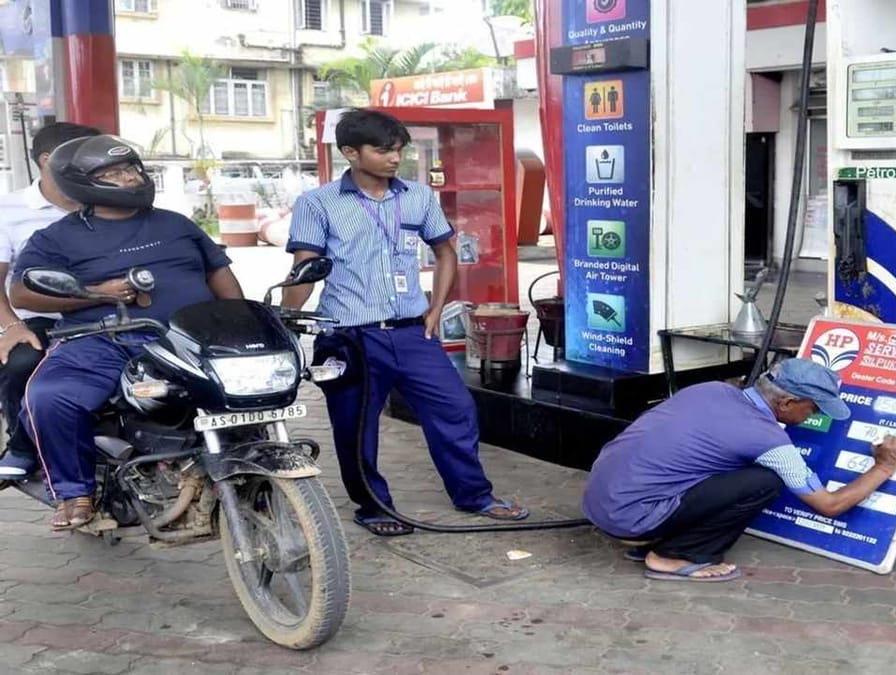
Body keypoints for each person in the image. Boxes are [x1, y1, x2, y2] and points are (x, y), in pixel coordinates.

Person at [282, 108, 527, 537]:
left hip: (414, 331)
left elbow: (446, 250)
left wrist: (437, 307)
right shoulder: (317, 203)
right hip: (348, 335)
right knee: (355, 425)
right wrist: (285, 320)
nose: (394, 158)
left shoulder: (417, 196)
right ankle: (373, 506)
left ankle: (474, 495)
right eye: (383, 150)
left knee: (456, 408)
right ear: (351, 153)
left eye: (398, 149)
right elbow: (306, 265)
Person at [11, 134, 244, 531]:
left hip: (187, 339)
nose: (130, 177)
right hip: (100, 341)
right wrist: (93, 293)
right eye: (115, 173)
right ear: (83, 182)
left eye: (131, 168)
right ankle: (74, 490)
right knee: (48, 397)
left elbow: (219, 274)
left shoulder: (176, 224)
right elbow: (21, 291)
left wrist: (239, 320)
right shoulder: (57, 237)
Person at [582, 358, 896, 582]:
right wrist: (885, 466)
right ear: (786, 403)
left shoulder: (712, 389)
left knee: (710, 469)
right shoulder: (768, 439)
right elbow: (830, 505)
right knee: (764, 481)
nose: (814, 416)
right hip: (629, 516)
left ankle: (655, 540)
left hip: (600, 500)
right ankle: (674, 556)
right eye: (812, 408)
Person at [0, 122, 102, 478]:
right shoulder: (8, 210)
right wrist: (12, 325)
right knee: (23, 362)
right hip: (37, 316)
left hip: (107, 310)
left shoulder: (106, 203)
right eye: (87, 156)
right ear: (49, 160)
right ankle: (24, 445)